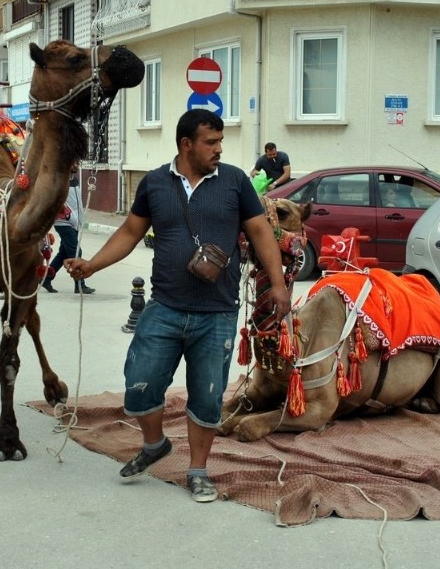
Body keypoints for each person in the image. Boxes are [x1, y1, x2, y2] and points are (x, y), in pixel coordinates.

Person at [64, 109, 291, 503]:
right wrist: (91, 265)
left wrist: (278, 284)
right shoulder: (155, 183)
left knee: (207, 396)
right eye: (211, 142)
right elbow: (130, 232)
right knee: (139, 386)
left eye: (220, 141)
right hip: (164, 307)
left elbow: (260, 233)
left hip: (217, 313)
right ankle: (155, 444)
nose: (219, 149)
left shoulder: (236, 182)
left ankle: (198, 471)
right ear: (186, 144)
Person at [42, 165, 94, 294]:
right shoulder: (58, 181)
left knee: (64, 253)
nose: (75, 165)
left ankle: (47, 278)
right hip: (63, 222)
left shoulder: (74, 180)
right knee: (76, 252)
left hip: (74, 222)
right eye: (72, 162)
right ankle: (79, 284)